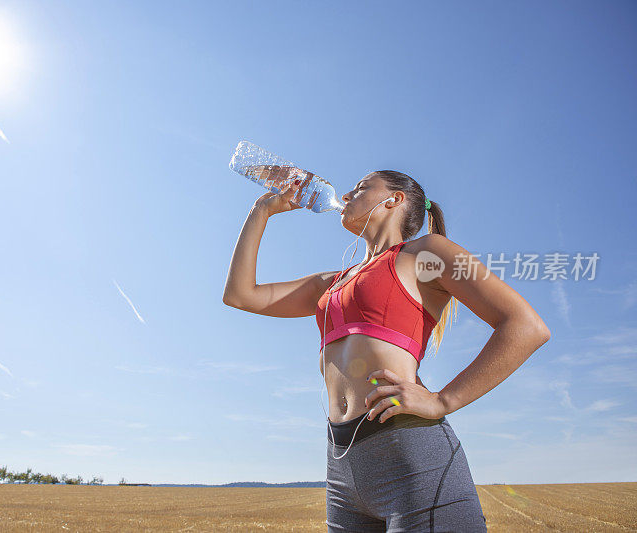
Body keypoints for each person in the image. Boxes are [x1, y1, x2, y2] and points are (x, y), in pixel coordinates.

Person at [222, 169, 551, 532]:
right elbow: (240, 295)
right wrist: (261, 210)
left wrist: (443, 400)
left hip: (411, 456)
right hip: (342, 465)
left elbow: (525, 327)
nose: (345, 195)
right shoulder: (331, 283)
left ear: (394, 200)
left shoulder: (426, 252)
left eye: (361, 188)